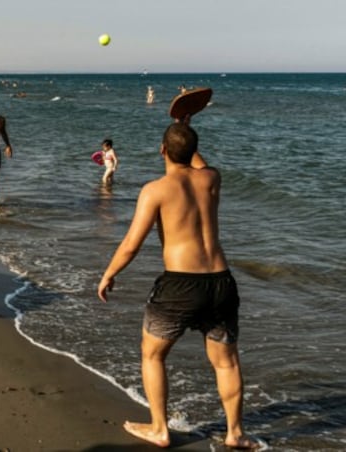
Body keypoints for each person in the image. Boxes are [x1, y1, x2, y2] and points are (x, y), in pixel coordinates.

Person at [97, 121, 256, 450]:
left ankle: (160, 429)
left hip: (181, 286)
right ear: (193, 150)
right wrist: (185, 127)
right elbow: (198, 162)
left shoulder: (156, 189)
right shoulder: (212, 179)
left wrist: (108, 274)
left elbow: (131, 244)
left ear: (162, 150)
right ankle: (236, 434)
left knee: (152, 355)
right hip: (221, 282)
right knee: (226, 362)